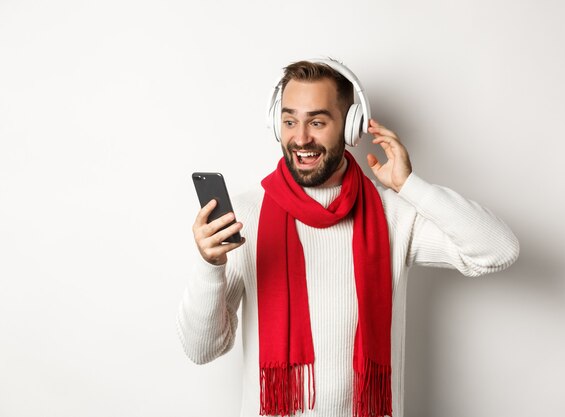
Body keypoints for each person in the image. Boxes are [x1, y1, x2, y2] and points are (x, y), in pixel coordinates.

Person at [177, 59, 520, 417]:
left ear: (351, 127)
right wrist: (210, 265)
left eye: (318, 122)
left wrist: (409, 186)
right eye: (290, 120)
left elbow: (497, 249)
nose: (301, 137)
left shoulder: (392, 213)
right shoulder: (246, 215)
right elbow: (201, 350)